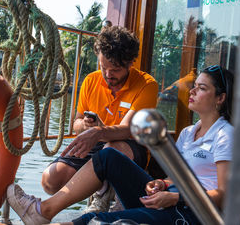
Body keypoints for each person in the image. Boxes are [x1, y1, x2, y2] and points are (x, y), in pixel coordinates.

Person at [0, 65, 234, 225]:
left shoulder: (226, 135)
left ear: (220, 99)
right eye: (194, 85)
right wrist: (161, 184)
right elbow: (178, 177)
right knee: (109, 155)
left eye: (202, 88)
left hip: (192, 212)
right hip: (169, 197)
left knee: (98, 221)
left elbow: (222, 195)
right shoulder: (188, 133)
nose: (193, 91)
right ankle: (42, 212)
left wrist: (174, 197)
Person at [42, 25, 158, 211]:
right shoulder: (91, 80)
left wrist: (98, 132)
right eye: (103, 67)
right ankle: (107, 185)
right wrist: (85, 126)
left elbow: (128, 129)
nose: (108, 74)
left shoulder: (147, 85)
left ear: (130, 63)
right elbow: (77, 122)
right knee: (50, 180)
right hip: (94, 141)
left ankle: (101, 196)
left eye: (115, 69)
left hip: (130, 146)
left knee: (111, 150)